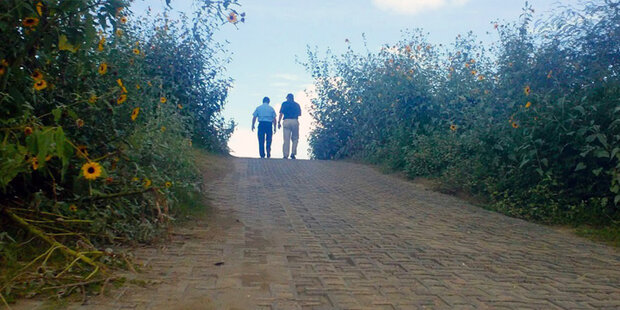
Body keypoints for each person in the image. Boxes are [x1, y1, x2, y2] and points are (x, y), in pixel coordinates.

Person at [278, 93, 301, 159]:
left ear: (287, 98)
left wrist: (279, 122)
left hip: (286, 120)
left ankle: (285, 155)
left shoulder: (284, 104)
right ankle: (293, 153)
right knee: (295, 138)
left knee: (286, 139)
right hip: (294, 120)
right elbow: (299, 114)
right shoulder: (297, 105)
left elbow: (281, 113)